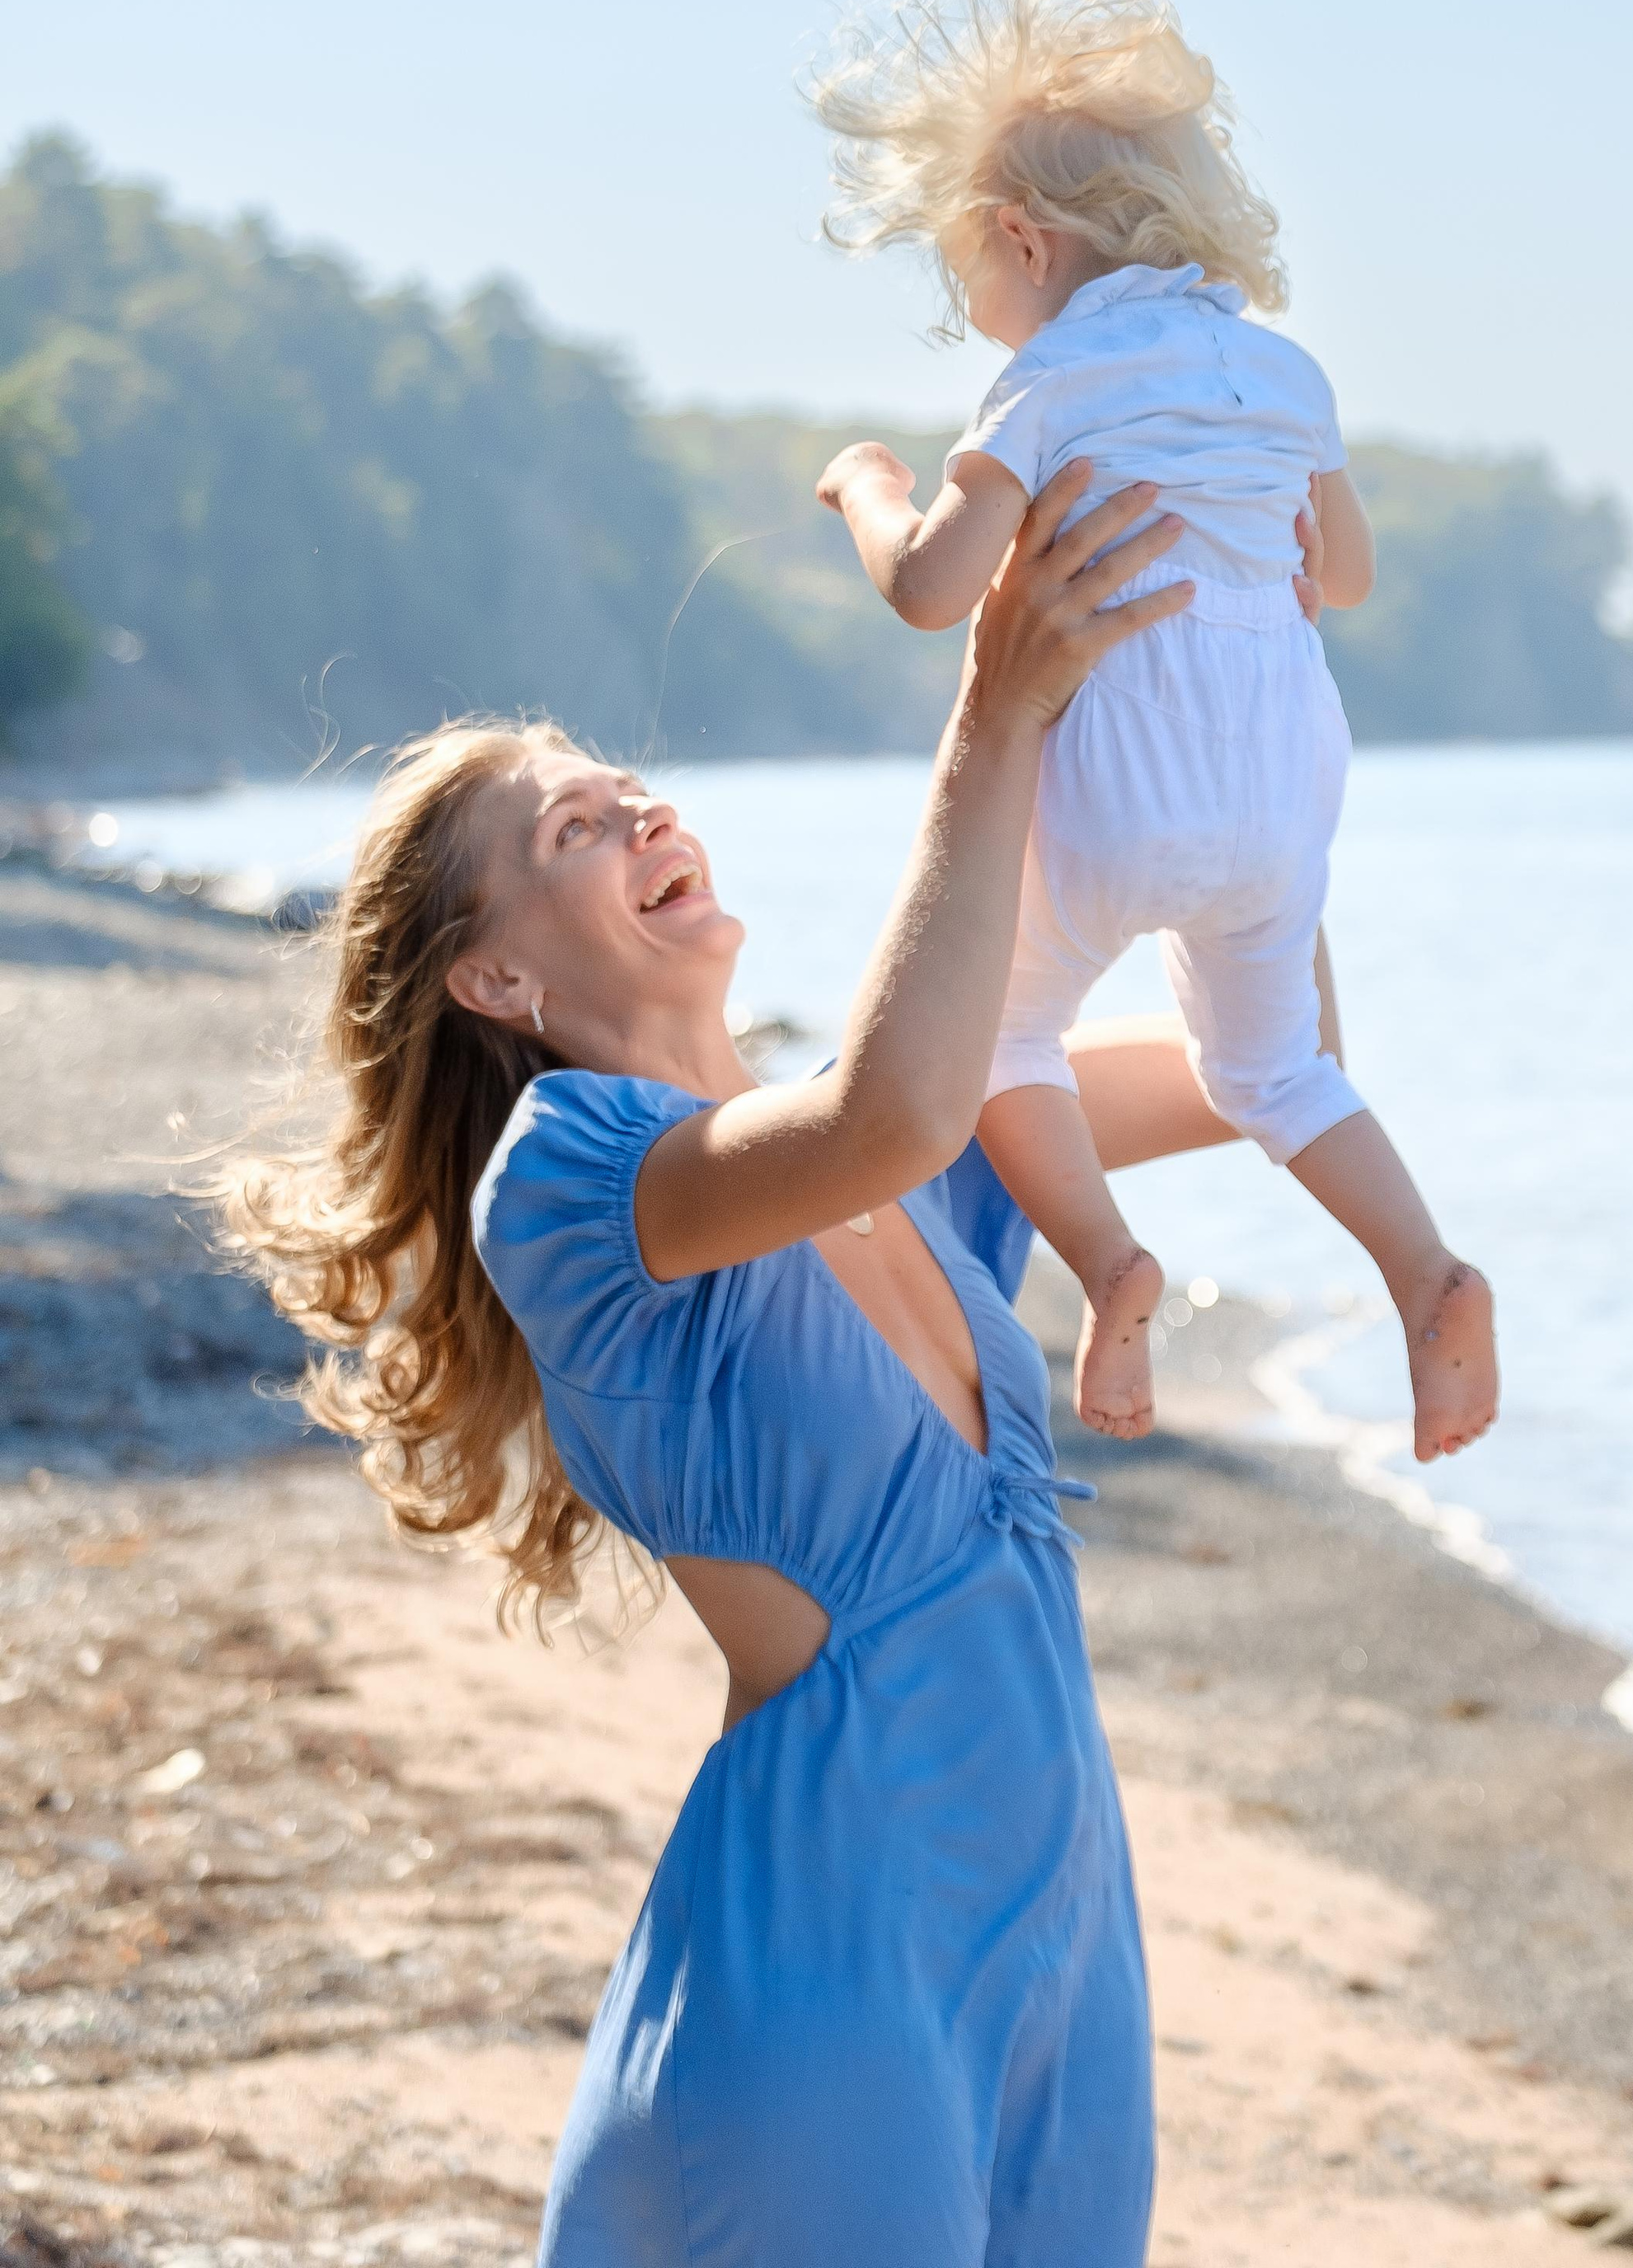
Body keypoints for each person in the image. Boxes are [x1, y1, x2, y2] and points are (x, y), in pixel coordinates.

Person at [223, 467, 1282, 2266]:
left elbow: (1258, 1055)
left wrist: (1245, 687)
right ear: (491, 980)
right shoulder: (564, 1184)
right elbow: (893, 1100)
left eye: (625, 786)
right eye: (571, 829)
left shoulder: (939, 1170)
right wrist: (993, 708)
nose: (633, 807)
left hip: (1065, 1964)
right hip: (827, 1976)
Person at [812, 0, 1499, 1456]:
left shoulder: (1051, 381)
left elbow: (933, 589)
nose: (973, 306)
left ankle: (1110, 1264)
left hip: (1117, 773)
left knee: (995, 1041)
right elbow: (1348, 578)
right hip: (1283, 783)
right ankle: (1427, 1274)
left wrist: (865, 483)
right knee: (1276, 1069)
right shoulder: (1286, 374)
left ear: (1024, 238)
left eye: (963, 271)